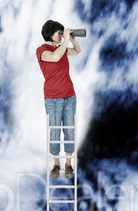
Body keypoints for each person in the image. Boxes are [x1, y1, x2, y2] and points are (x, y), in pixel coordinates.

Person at [36, 20, 81, 179]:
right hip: (53, 99)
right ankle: (56, 164)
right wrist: (66, 40)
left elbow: (77, 50)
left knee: (69, 130)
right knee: (54, 132)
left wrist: (72, 38)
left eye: (63, 33)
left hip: (70, 96)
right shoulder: (42, 51)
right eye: (59, 33)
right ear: (50, 34)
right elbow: (55, 57)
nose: (62, 36)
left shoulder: (61, 49)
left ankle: (68, 164)